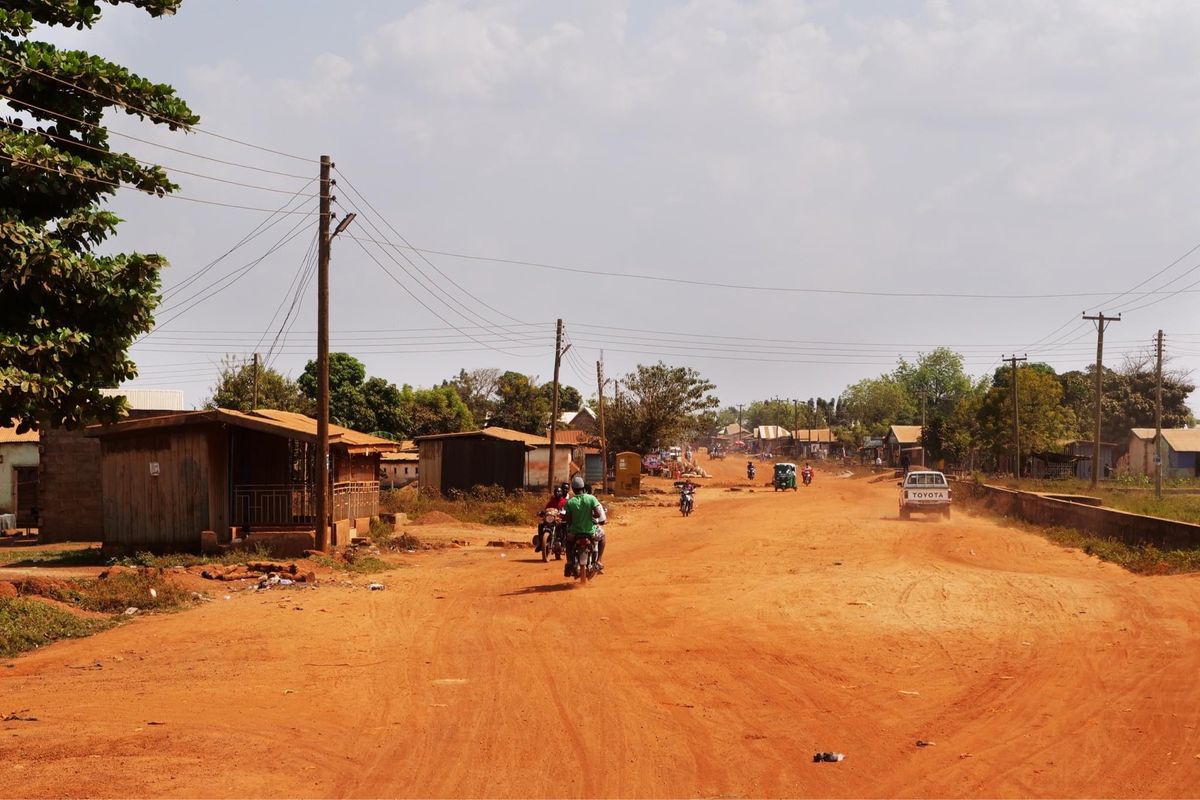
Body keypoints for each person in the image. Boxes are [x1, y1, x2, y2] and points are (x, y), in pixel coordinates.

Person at [563, 476, 602, 577]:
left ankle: (570, 562)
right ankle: (598, 561)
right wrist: (592, 516)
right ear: (583, 487)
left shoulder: (570, 502)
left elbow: (568, 519)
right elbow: (598, 514)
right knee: (603, 536)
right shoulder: (591, 498)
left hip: (575, 533)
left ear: (573, 489)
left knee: (568, 542)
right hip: (590, 532)